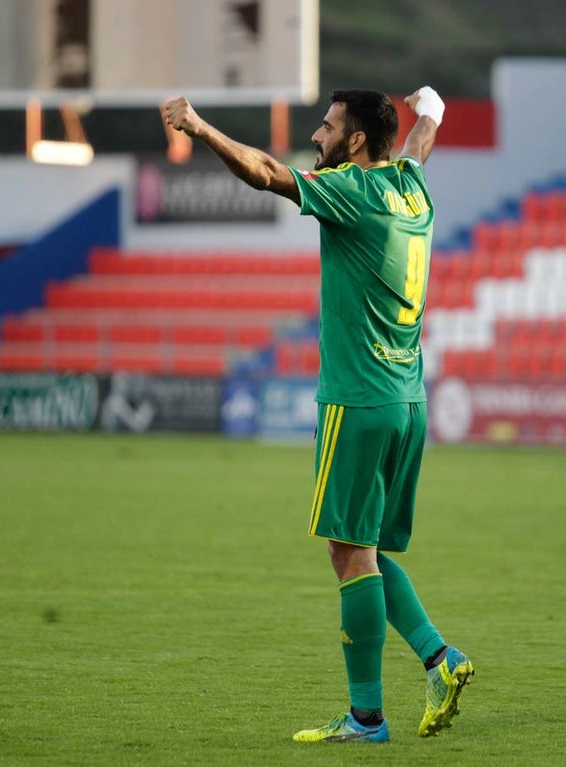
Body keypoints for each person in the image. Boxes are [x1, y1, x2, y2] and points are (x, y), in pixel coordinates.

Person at [161, 87, 473, 744]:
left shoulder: (352, 193)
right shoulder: (412, 188)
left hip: (358, 399)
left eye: (329, 127)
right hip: (408, 400)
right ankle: (441, 660)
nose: (317, 135)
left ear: (357, 141)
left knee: (348, 551)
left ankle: (367, 717)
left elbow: (267, 173)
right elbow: (417, 145)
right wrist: (434, 111)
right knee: (364, 548)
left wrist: (200, 127)